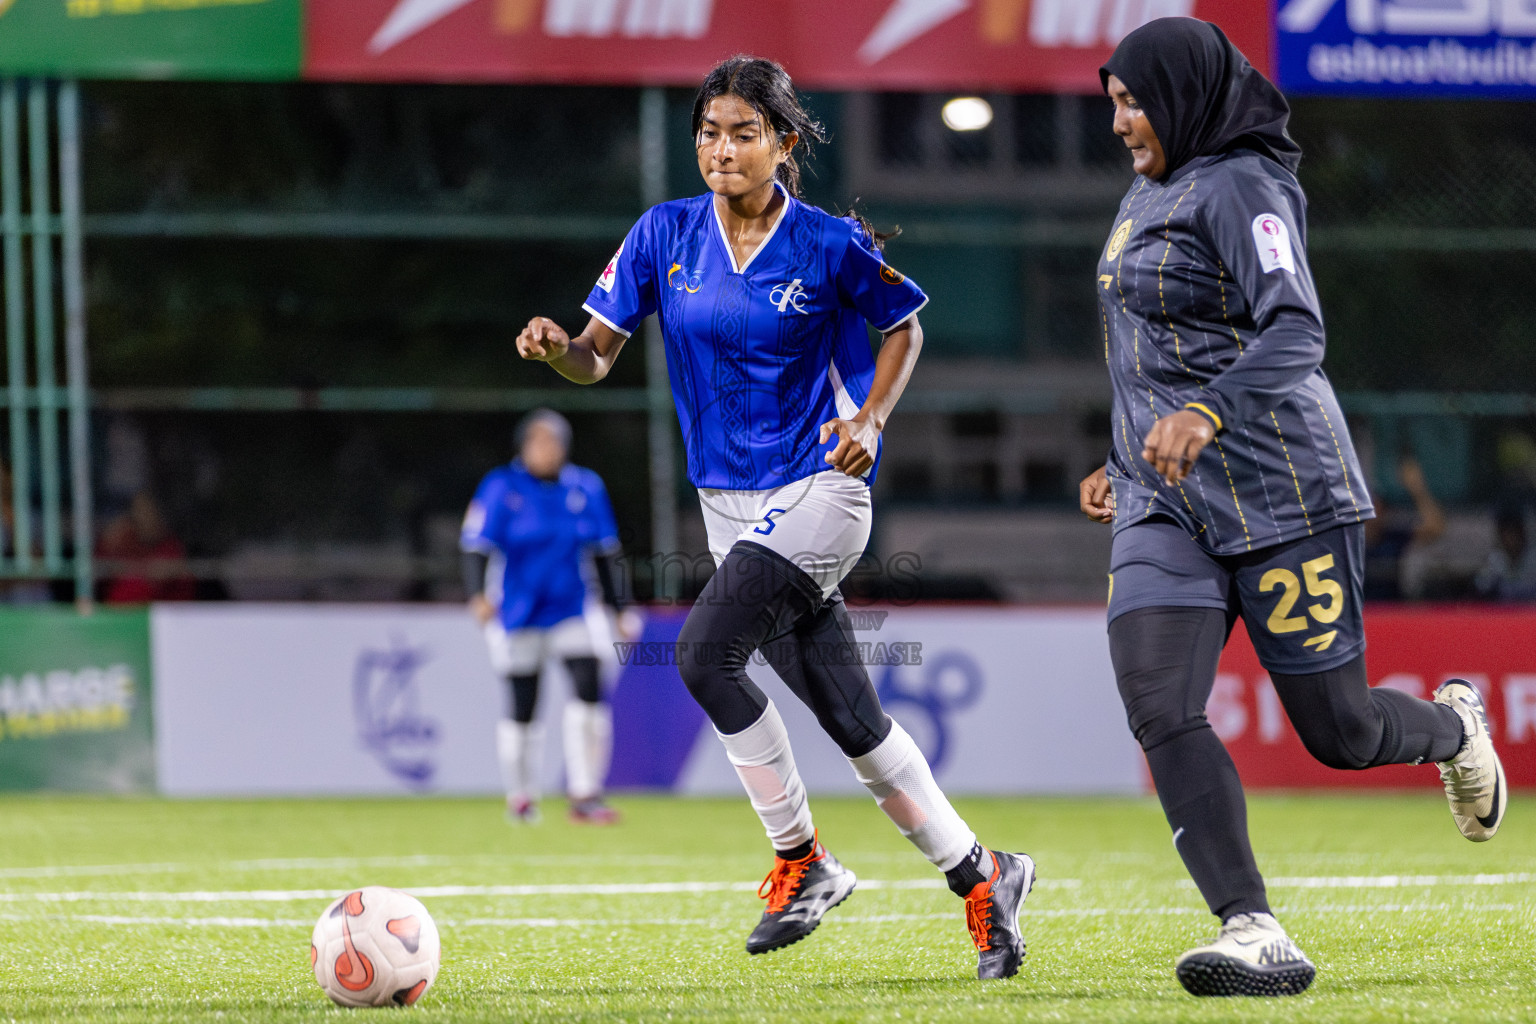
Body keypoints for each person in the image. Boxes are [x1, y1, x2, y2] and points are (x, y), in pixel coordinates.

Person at [514, 55, 1034, 979]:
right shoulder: (661, 234)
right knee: (855, 724)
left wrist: (871, 420)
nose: (723, 148)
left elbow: (904, 325)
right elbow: (595, 357)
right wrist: (560, 352)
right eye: (710, 132)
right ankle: (983, 873)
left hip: (821, 491)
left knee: (703, 652)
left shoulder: (829, 243)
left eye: (744, 132)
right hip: (729, 511)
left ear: (783, 144)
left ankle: (804, 862)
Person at [1078, 18, 1506, 999]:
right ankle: (1253, 927)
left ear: (1183, 96)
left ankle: (1450, 728)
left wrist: (1205, 411)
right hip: (1167, 502)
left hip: (1283, 496)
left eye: (1133, 101)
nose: (1120, 123)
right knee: (1157, 700)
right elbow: (1142, 345)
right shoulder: (1151, 188)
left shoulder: (1241, 186)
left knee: (1341, 731)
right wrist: (1120, 459)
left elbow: (1297, 333)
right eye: (1113, 103)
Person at [460, 409, 634, 825]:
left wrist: (621, 607)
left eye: (553, 441)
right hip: (518, 612)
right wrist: (476, 595)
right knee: (524, 704)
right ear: (523, 447)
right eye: (537, 441)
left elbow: (606, 552)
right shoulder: (501, 486)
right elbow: (475, 546)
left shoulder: (585, 486)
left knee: (589, 689)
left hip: (572, 606)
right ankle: (521, 797)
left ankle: (585, 793)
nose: (546, 449)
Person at [1474, 506, 1536, 601]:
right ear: (1501, 536)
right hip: (1504, 612)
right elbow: (1481, 587)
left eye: (1514, 534)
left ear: (1522, 534)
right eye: (1507, 534)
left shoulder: (1532, 558)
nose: (1511, 539)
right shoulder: (1495, 560)